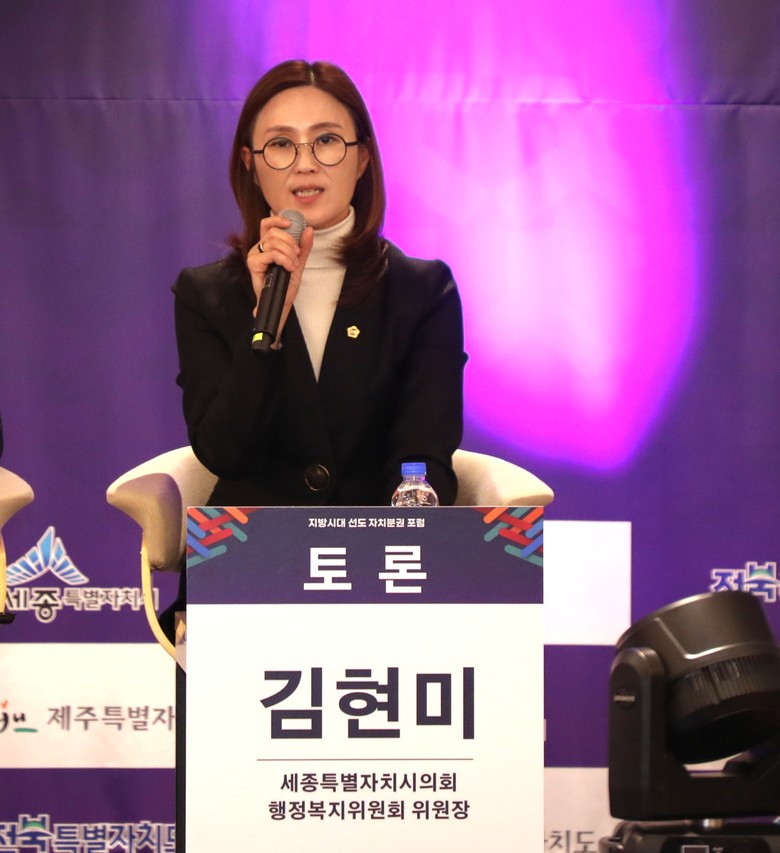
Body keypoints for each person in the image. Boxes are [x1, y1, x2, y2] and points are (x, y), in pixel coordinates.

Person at [172, 59, 466, 508]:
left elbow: (423, 451)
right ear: (251, 164)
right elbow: (225, 454)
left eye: (326, 140)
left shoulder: (423, 291)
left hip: (375, 543)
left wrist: (391, 536)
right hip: (252, 544)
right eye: (281, 144)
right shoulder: (206, 293)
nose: (305, 165)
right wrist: (265, 327)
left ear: (362, 157)